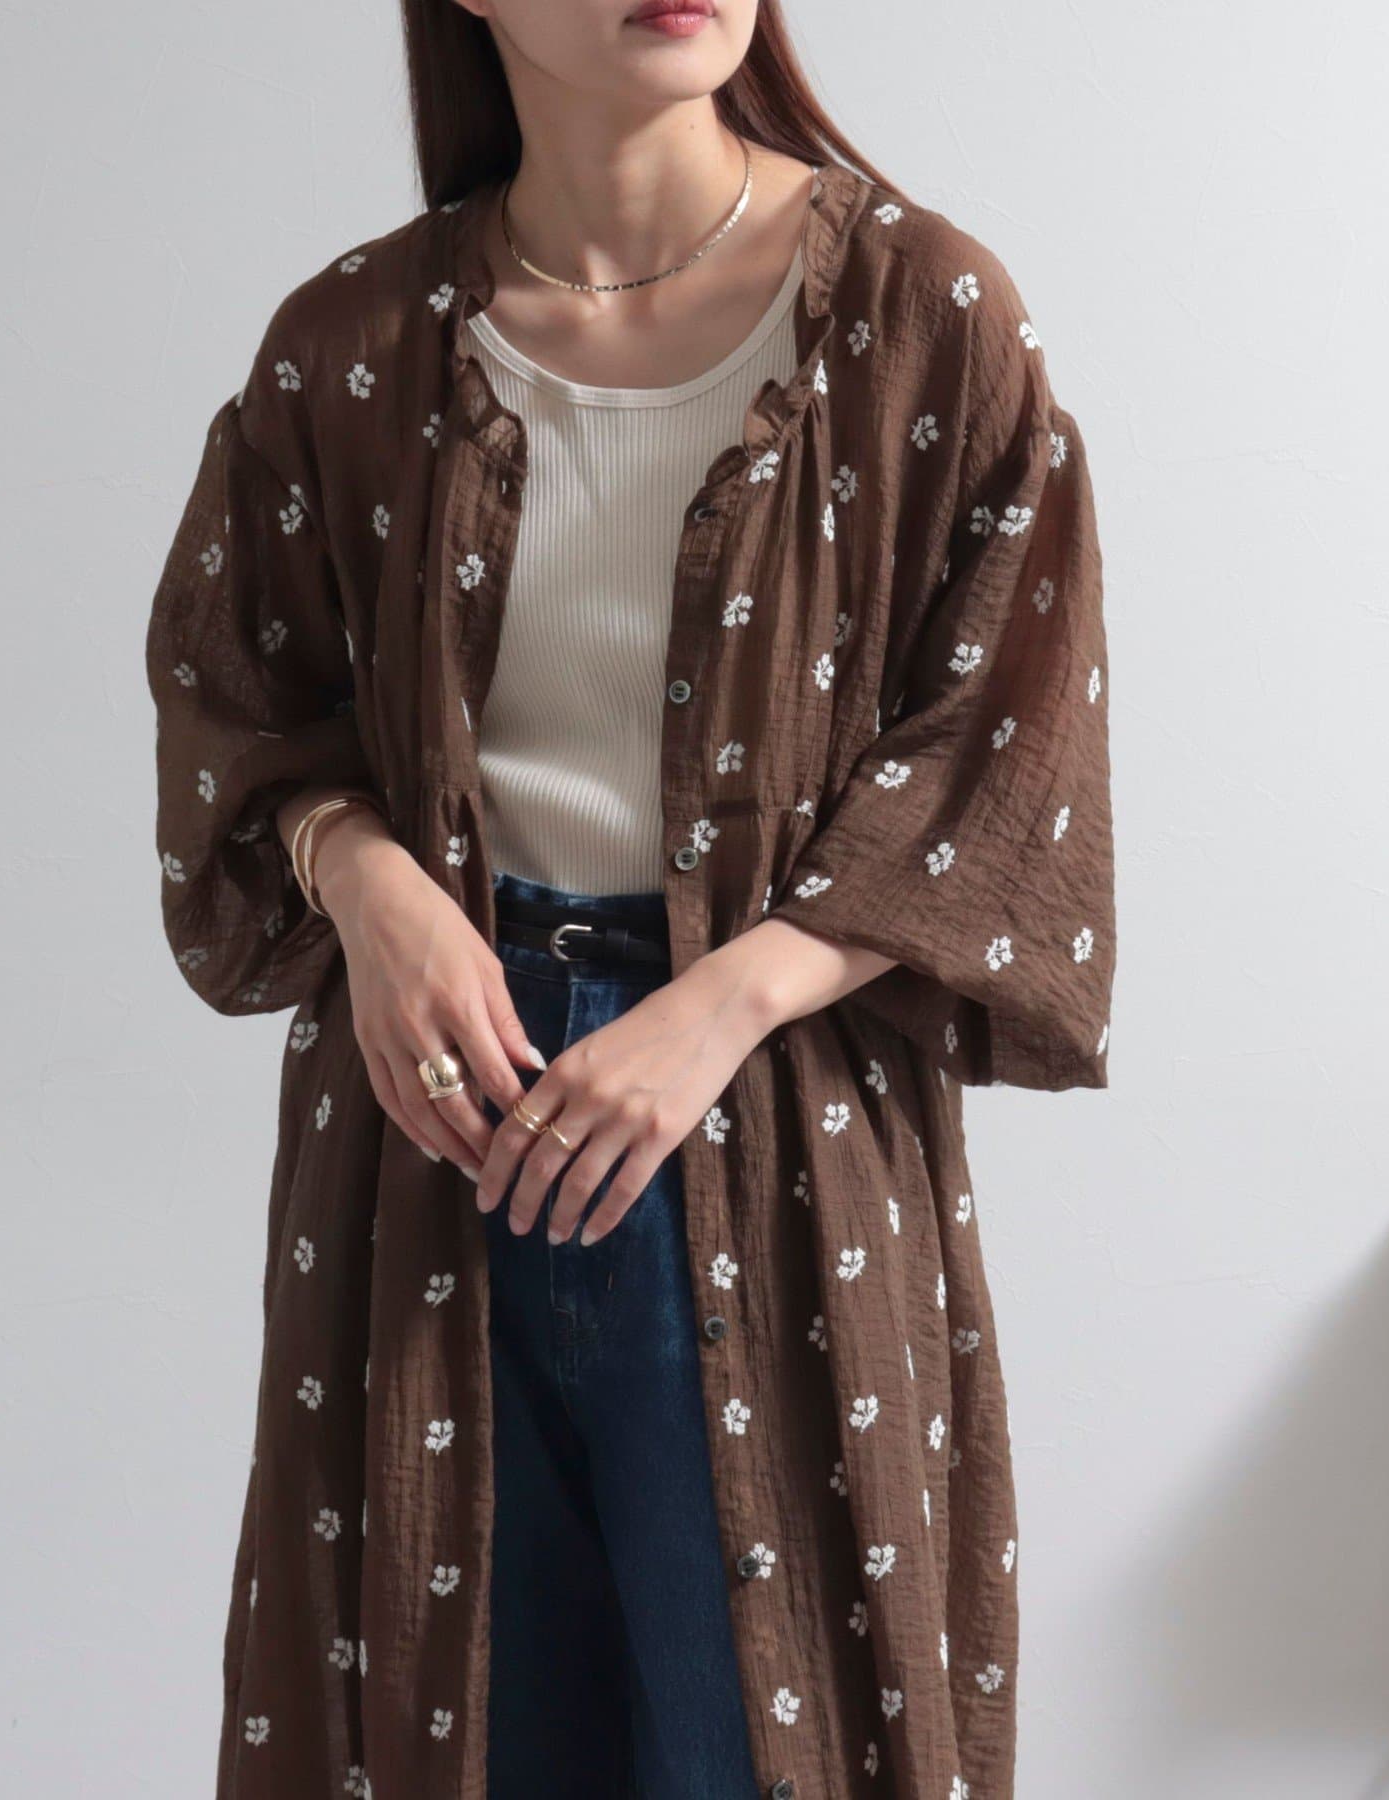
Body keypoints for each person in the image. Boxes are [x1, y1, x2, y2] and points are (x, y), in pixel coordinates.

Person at [144, 2, 1116, 1795]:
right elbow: (240, 706)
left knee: (777, 1729)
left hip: (777, 1127)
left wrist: (717, 1004)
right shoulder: (351, 346)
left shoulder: (918, 313)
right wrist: (369, 883)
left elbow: (1004, 750)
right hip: (427, 1125)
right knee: (451, 1723)